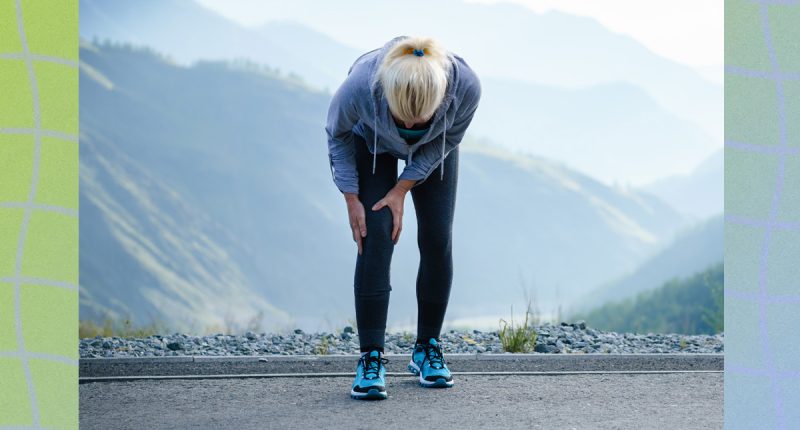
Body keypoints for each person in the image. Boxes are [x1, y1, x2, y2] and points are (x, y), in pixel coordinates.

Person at [325, 35, 481, 400]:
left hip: (435, 148)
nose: (410, 126)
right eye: (402, 119)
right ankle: (371, 357)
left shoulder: (466, 88)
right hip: (371, 142)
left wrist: (401, 189)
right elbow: (337, 135)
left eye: (419, 120)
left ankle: (427, 347)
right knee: (374, 232)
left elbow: (450, 140)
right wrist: (351, 197)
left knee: (437, 236)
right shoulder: (360, 88)